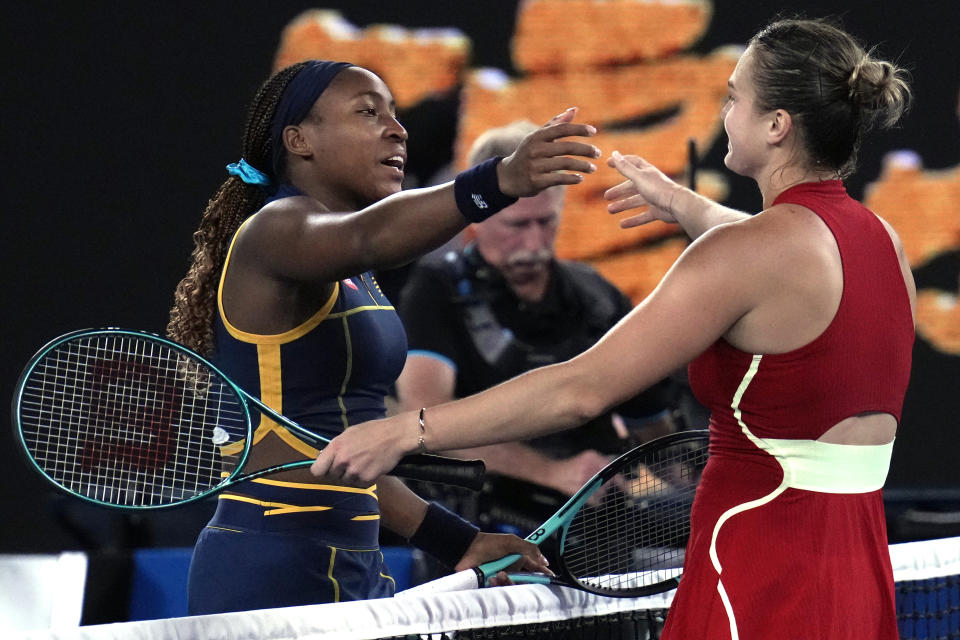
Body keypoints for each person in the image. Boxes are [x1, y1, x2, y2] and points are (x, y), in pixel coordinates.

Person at [312, 18, 915, 639]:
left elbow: (579, 391)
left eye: (734, 96)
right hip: (856, 573)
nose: (725, 109)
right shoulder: (880, 243)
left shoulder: (745, 254)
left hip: (757, 570)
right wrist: (686, 206)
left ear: (777, 125)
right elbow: (789, 254)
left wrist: (407, 431)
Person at [165, 59, 602, 614]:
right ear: (300, 141)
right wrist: (499, 181)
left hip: (356, 564)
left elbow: (349, 455)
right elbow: (373, 235)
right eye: (368, 112)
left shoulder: (349, 270)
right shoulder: (274, 232)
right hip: (268, 569)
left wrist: (459, 541)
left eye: (395, 113)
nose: (397, 129)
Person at [395, 120, 678, 533]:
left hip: (598, 528)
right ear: (476, 215)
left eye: (545, 223)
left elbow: (650, 423)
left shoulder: (597, 297)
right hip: (482, 528)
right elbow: (423, 422)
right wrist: (551, 472)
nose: (532, 244)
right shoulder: (434, 291)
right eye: (516, 226)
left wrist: (687, 480)